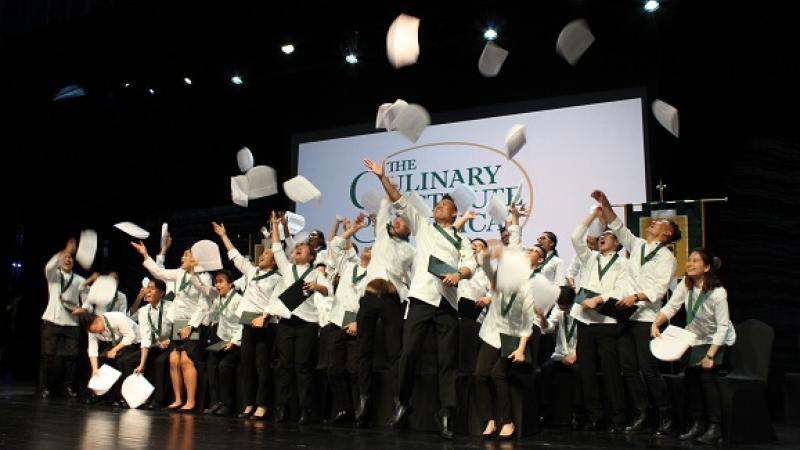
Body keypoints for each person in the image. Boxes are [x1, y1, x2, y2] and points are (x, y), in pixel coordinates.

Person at [364, 159, 475, 440]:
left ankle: (446, 413)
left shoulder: (461, 240)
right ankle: (402, 402)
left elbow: (469, 265)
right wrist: (382, 178)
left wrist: (458, 275)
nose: (439, 206)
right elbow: (398, 200)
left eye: (445, 205)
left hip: (447, 304)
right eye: (437, 204)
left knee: (447, 360)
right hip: (422, 299)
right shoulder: (423, 227)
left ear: (454, 213)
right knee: (408, 353)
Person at [592, 190, 681, 436]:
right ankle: (643, 414)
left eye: (659, 222)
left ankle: (666, 416)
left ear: (667, 233)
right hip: (626, 317)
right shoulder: (638, 245)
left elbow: (659, 289)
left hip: (646, 318)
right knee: (629, 370)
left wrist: (636, 297)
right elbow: (618, 226)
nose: (653, 223)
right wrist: (605, 204)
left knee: (649, 370)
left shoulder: (667, 257)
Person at [652, 249, 736, 444]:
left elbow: (723, 327)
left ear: (706, 267)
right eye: (689, 260)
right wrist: (656, 323)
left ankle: (715, 427)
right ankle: (697, 424)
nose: (689, 264)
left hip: (717, 340)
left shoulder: (717, 293)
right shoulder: (686, 284)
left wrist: (710, 356)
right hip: (696, 338)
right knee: (690, 378)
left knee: (706, 378)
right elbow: (672, 306)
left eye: (695, 261)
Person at [352, 197, 415, 427]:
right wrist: (388, 193)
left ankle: (399, 402)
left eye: (403, 221)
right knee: (364, 351)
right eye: (396, 219)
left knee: (394, 353)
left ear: (410, 230)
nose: (397, 222)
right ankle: (364, 400)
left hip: (391, 302)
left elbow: (415, 278)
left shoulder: (412, 251)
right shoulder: (381, 235)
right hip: (369, 300)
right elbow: (383, 209)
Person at [132, 240, 213, 413]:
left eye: (186, 255)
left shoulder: (204, 277)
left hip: (195, 322)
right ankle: (178, 399)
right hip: (179, 321)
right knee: (174, 359)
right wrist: (145, 255)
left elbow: (203, 304)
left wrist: (190, 326)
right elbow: (159, 272)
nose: (182, 258)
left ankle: (191, 401)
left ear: (195, 259)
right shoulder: (180, 273)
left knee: (186, 360)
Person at [212, 221, 281, 420]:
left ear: (274, 261)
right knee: (246, 364)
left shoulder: (277, 278)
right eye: (262, 253)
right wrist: (223, 236)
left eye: (267, 254)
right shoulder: (252, 272)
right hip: (248, 323)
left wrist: (264, 316)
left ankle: (262, 404)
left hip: (265, 325)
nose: (262, 255)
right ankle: (249, 402)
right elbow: (235, 256)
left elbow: (275, 300)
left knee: (262, 366)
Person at [269, 211, 332, 424]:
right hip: (286, 323)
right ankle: (282, 407)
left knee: (302, 366)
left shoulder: (315, 273)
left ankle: (305, 409)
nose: (298, 248)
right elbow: (277, 248)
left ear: (311, 257)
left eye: (303, 247)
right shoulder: (287, 269)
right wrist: (275, 226)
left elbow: (329, 291)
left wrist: (317, 287)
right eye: (297, 247)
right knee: (284, 366)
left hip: (307, 324)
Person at [474, 257, 539, 439]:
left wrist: (521, 350)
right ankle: (490, 420)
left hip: (512, 336)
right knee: (480, 375)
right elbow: (485, 265)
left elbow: (527, 322)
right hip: (492, 332)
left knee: (497, 374)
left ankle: (507, 422)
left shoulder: (527, 288)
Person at [323, 214, 372, 424]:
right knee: (334, 370)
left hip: (357, 325)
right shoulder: (348, 266)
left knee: (354, 371)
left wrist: (358, 322)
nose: (369, 249)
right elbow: (335, 244)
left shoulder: (375, 275)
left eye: (373, 249)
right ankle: (344, 410)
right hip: (336, 322)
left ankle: (360, 413)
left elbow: (371, 304)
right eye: (367, 247)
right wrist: (355, 229)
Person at [191, 270, 243, 416]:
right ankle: (215, 402)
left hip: (236, 342)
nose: (218, 285)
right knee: (211, 363)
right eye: (216, 282)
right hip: (222, 341)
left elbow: (243, 325)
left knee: (224, 366)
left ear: (230, 284)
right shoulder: (218, 299)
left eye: (221, 282)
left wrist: (233, 342)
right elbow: (211, 316)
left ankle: (227, 404)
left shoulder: (238, 300)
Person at [39, 238, 86, 399]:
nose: (68, 259)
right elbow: (48, 266)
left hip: (72, 324)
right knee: (48, 355)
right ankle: (45, 387)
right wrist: (65, 250)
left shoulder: (79, 280)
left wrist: (83, 309)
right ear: (59, 260)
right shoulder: (53, 275)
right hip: (52, 321)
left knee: (72, 358)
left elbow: (87, 301)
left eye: (70, 257)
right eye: (65, 257)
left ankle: (68, 387)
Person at [539, 286, 582, 428]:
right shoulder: (558, 309)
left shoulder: (580, 310)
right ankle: (546, 410)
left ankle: (577, 412)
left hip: (577, 353)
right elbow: (549, 328)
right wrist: (543, 319)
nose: (562, 309)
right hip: (560, 354)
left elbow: (586, 337)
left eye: (565, 307)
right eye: (559, 306)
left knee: (578, 371)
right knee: (545, 369)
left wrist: (576, 354)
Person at [79, 311, 141, 405]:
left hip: (135, 343)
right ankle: (105, 396)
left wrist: (115, 350)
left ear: (97, 319)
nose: (96, 332)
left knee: (122, 361)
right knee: (101, 362)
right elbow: (92, 350)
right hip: (116, 344)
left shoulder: (117, 317)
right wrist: (95, 369)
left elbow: (130, 336)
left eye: (95, 329)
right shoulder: (92, 330)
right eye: (92, 331)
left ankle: (126, 395)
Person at [133, 279, 173, 409]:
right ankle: (142, 396)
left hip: (172, 344)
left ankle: (159, 399)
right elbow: (145, 338)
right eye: (147, 288)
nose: (148, 291)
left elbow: (180, 327)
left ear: (161, 293)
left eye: (152, 288)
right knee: (131, 360)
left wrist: (170, 340)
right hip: (155, 345)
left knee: (159, 362)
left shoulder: (171, 307)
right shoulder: (143, 311)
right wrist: (142, 364)